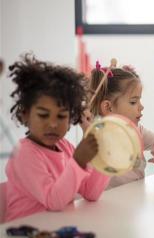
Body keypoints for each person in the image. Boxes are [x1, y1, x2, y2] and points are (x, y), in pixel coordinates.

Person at [4, 54, 110, 222]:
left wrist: (103, 158)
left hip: (58, 226)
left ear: (71, 117)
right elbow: (54, 201)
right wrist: (78, 162)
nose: (53, 124)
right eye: (43, 115)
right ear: (25, 115)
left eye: (61, 116)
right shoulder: (24, 154)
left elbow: (91, 193)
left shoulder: (65, 146)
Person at [88, 61, 154, 189]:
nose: (141, 106)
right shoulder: (95, 138)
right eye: (133, 102)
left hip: (136, 199)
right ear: (108, 107)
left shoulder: (137, 131)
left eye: (139, 100)